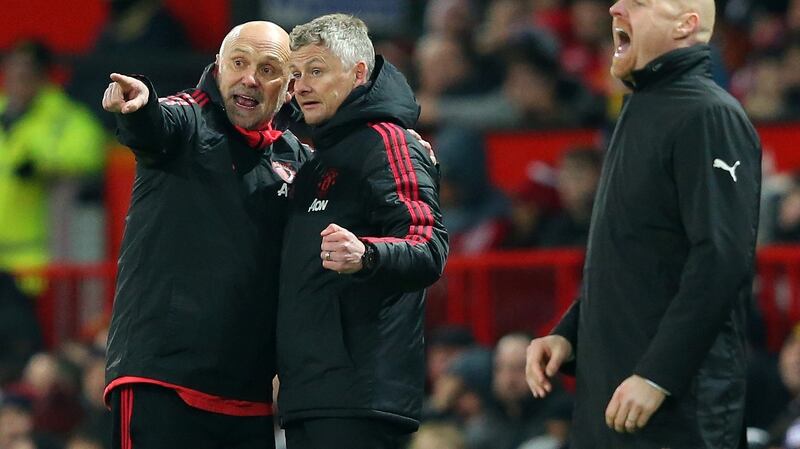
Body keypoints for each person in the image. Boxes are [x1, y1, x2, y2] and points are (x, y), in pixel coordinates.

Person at [524, 0, 761, 448]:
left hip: (676, 412)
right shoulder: (640, 109)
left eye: (639, 2)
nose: (616, 7)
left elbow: (721, 258)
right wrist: (570, 334)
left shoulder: (709, 114)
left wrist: (657, 376)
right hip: (614, 400)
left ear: (685, 25)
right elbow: (636, 258)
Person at [101, 21, 310, 449]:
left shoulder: (299, 159)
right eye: (239, 63)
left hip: (248, 395)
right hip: (163, 381)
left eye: (268, 69)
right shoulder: (189, 118)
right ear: (217, 68)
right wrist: (139, 108)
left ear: (289, 87)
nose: (250, 78)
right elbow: (155, 125)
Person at [277, 14, 448, 449]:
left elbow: (428, 245)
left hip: (360, 397)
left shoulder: (389, 141)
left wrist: (367, 254)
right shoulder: (318, 159)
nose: (301, 86)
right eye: (296, 74)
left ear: (358, 73)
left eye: (316, 71)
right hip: (309, 396)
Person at [0, 40, 106, 297]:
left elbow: (90, 152)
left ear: (42, 76)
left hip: (37, 259)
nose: (17, 80)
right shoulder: (4, 110)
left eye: (26, 72)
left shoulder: (63, 116)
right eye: (12, 71)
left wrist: (42, 163)